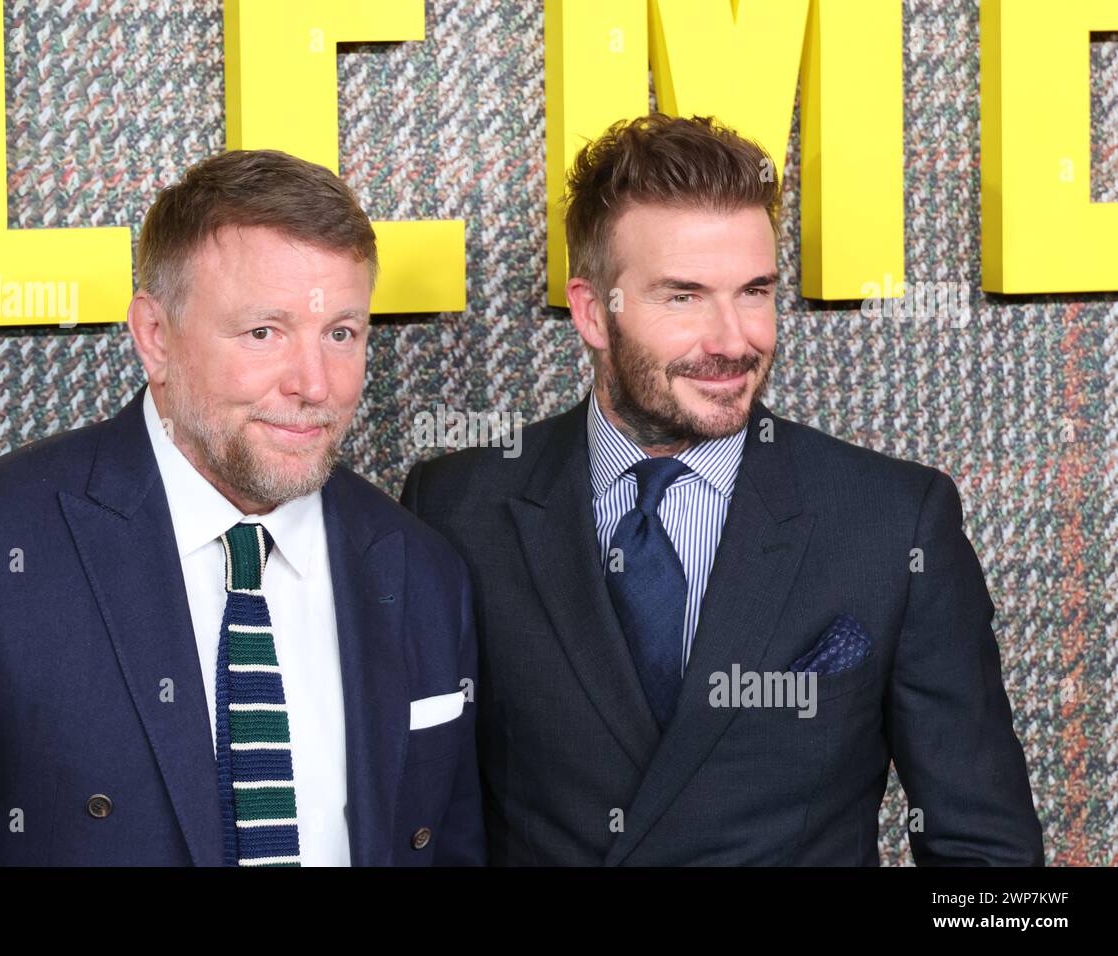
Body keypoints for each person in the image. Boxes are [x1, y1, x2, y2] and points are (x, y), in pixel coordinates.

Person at [401, 113, 1043, 865]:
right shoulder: (456, 508)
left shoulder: (893, 523)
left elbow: (988, 856)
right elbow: (428, 822)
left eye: (755, 291)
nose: (735, 339)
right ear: (590, 312)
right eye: (683, 297)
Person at [0, 149, 484, 867]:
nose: (313, 384)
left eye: (341, 334)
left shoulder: (421, 566)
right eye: (263, 332)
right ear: (155, 336)